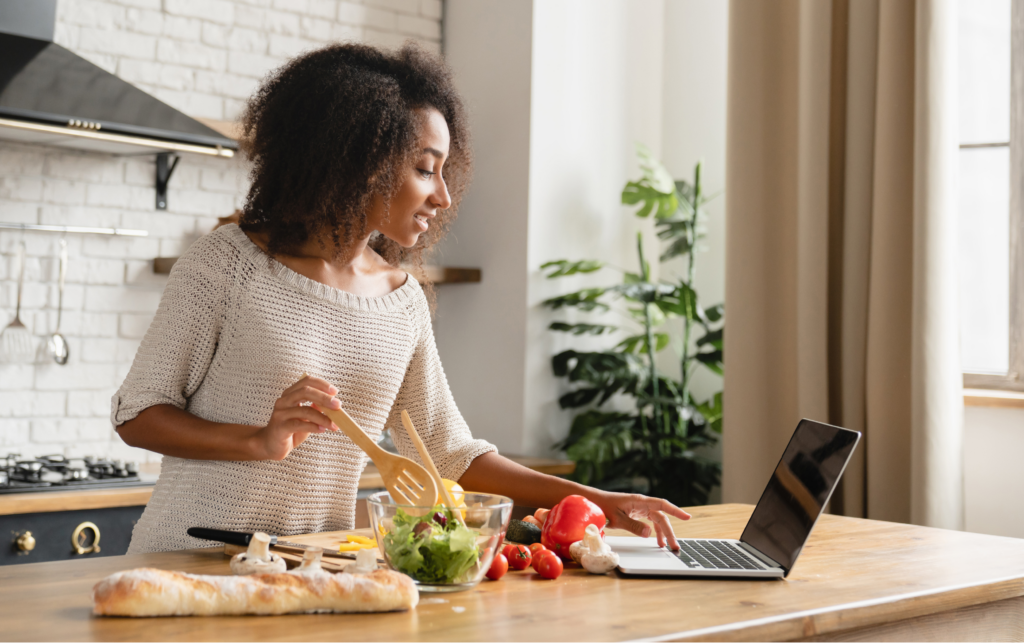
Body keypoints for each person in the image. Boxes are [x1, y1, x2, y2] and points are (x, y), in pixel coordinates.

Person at [114, 42, 690, 554]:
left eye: (444, 172)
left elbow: (449, 453)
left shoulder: (402, 300)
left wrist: (598, 499)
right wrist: (258, 440)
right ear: (357, 161)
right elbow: (137, 413)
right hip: (188, 559)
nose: (442, 195)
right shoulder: (228, 264)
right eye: (423, 169)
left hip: (312, 568)